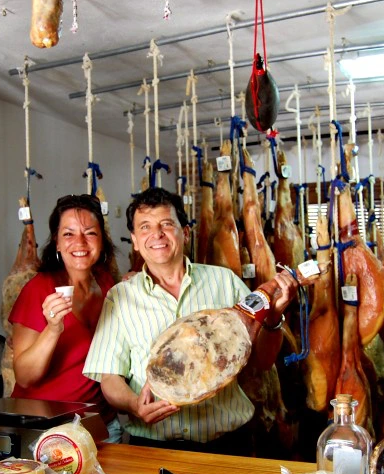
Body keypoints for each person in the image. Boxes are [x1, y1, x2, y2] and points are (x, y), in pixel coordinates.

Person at [83, 187, 298, 455]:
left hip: (228, 446)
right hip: (152, 448)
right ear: (135, 241)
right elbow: (109, 377)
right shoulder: (120, 297)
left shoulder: (225, 282)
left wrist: (274, 317)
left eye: (166, 224)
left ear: (185, 233)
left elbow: (262, 361)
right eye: (145, 227)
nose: (157, 234)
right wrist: (133, 404)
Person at [9, 193, 122, 442]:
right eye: (68, 234)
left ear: (102, 240)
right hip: (46, 430)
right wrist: (52, 328)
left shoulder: (106, 282)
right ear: (57, 243)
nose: (79, 242)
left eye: (90, 233)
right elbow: (25, 377)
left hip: (100, 426)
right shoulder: (37, 290)